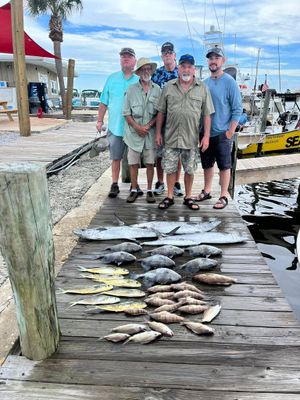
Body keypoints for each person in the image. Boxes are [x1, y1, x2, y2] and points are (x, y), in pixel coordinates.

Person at [155, 54, 214, 210]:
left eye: (189, 66)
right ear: (178, 68)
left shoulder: (202, 88)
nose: (186, 69)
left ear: (194, 69)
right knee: (170, 168)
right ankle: (169, 197)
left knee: (190, 169)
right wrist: (158, 133)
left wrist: (206, 136)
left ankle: (188, 197)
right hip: (171, 136)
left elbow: (207, 114)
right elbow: (161, 112)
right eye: (183, 66)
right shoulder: (168, 86)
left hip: (191, 138)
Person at [195, 46, 242, 209]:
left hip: (223, 133)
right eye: (210, 58)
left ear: (223, 61)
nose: (213, 61)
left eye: (216, 58)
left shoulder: (230, 82)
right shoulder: (204, 83)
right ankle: (207, 191)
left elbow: (237, 109)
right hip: (205, 133)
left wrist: (230, 132)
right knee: (207, 164)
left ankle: (223, 195)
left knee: (224, 165)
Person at [96, 47, 139, 198]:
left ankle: (134, 184)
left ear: (134, 60)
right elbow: (103, 102)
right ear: (120, 60)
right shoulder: (112, 78)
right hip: (115, 127)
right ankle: (114, 183)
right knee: (115, 157)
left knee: (134, 159)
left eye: (129, 56)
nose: (126, 58)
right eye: (123, 56)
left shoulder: (139, 79)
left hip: (134, 128)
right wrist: (100, 120)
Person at [123, 58, 161, 203]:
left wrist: (149, 126)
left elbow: (159, 112)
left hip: (150, 134)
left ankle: (150, 190)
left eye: (148, 69)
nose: (146, 71)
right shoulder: (131, 89)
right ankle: (134, 189)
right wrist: (138, 127)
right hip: (133, 133)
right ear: (138, 72)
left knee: (151, 163)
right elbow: (126, 113)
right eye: (143, 69)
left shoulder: (157, 89)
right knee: (133, 163)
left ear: (151, 70)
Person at [152, 42, 183, 197]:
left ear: (174, 55)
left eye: (170, 52)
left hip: (178, 121)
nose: (167, 55)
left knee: (176, 154)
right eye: (164, 53)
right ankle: (160, 181)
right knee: (159, 153)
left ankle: (176, 182)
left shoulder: (182, 73)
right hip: (160, 120)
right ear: (162, 56)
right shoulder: (156, 74)